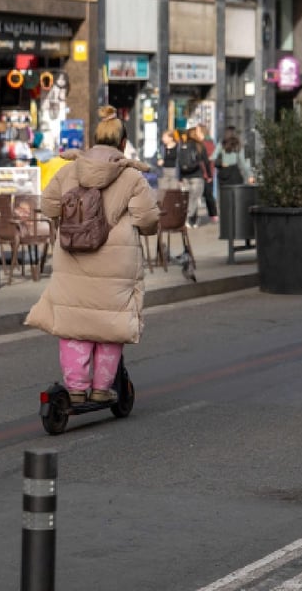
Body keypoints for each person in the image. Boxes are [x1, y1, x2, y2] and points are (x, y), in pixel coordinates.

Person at [25, 106, 159, 404]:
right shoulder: (132, 177)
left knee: (75, 323)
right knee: (109, 324)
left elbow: (48, 208)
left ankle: (75, 388)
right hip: (116, 261)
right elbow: (147, 219)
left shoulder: (68, 169)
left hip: (71, 256)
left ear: (93, 139)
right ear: (123, 144)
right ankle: (101, 388)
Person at [176, 127, 208, 226]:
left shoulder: (183, 146)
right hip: (197, 176)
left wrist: (180, 177)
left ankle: (193, 220)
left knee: (188, 199)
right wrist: (209, 175)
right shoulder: (199, 146)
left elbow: (179, 162)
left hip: (185, 176)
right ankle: (188, 218)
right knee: (194, 198)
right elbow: (206, 161)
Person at [198, 124, 218, 224]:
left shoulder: (207, 143)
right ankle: (212, 214)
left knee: (208, 194)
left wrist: (209, 174)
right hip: (201, 172)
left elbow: (210, 160)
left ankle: (213, 214)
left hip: (207, 173)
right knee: (205, 194)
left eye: (197, 130)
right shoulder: (199, 143)